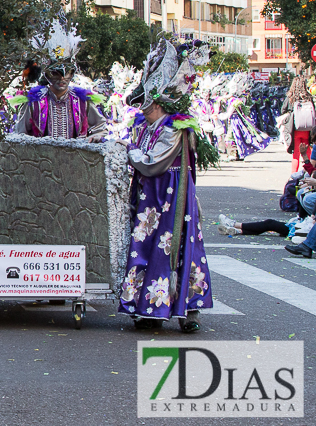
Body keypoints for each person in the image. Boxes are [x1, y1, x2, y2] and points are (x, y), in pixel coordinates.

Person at [118, 38, 213, 333]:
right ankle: (146, 309)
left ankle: (188, 311)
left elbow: (152, 162)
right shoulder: (146, 126)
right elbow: (141, 154)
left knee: (174, 247)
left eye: (148, 102)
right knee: (145, 247)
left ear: (159, 103)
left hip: (171, 196)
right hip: (151, 198)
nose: (142, 108)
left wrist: (129, 151)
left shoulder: (174, 128)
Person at [13, 18, 106, 140]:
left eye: (67, 73)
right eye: (56, 73)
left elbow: (101, 127)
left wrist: (95, 137)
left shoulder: (82, 101)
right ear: (47, 74)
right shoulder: (34, 102)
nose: (62, 78)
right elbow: (20, 134)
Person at [285, 76, 314, 172]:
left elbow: (283, 110)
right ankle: (310, 171)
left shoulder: (291, 97)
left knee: (296, 154)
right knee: (307, 151)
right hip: (307, 128)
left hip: (295, 129)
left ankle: (294, 175)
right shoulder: (308, 97)